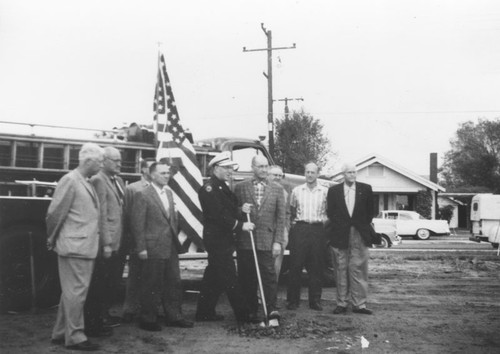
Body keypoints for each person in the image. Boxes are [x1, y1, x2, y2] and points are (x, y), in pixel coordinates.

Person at [46, 143, 104, 351]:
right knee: (76, 293)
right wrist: (52, 238)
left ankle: (61, 333)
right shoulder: (70, 181)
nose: (101, 165)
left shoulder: (83, 181)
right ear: (88, 161)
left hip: (80, 245)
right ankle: (76, 336)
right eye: (99, 161)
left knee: (71, 293)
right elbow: (55, 213)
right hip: (75, 246)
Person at [130, 161, 193, 331]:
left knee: (174, 282)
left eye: (168, 173)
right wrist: (141, 248)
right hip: (152, 247)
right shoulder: (143, 195)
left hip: (170, 245)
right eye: (163, 173)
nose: (167, 176)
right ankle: (148, 318)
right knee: (152, 283)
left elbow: (171, 220)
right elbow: (137, 224)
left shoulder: (169, 193)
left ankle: (174, 316)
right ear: (152, 175)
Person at [196, 151, 255, 324]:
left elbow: (230, 209)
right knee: (230, 277)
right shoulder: (209, 188)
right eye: (226, 167)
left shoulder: (221, 186)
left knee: (213, 276)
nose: (230, 171)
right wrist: (240, 225)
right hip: (217, 239)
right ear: (215, 168)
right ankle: (244, 315)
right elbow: (219, 215)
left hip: (223, 239)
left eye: (231, 167)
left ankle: (204, 312)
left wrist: (240, 210)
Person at [234, 155, 286, 321]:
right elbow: (232, 211)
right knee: (246, 277)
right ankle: (250, 310)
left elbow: (281, 218)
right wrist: (240, 209)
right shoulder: (240, 187)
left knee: (269, 276)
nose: (264, 170)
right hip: (246, 240)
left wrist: (278, 241)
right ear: (252, 167)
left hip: (267, 240)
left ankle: (271, 309)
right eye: (260, 167)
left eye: (266, 167)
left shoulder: (277, 188)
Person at [326, 162, 374, 315]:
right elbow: (330, 212)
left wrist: (359, 225)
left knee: (359, 267)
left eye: (354, 172)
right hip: (340, 234)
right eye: (349, 172)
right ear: (343, 174)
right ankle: (341, 303)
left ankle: (359, 304)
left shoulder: (366, 189)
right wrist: (342, 225)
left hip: (359, 233)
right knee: (341, 268)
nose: (352, 175)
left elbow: (371, 211)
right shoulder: (334, 191)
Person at [286, 162, 328, 311]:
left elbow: (328, 211)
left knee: (316, 267)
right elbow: (291, 211)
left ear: (317, 174)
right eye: (307, 172)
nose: (310, 175)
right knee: (295, 265)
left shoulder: (324, 192)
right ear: (305, 173)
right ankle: (292, 301)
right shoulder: (297, 191)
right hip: (300, 229)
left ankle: (315, 301)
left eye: (313, 172)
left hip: (317, 230)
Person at [121, 157, 155, 322]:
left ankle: (147, 309)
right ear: (142, 170)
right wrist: (132, 240)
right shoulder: (132, 188)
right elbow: (127, 214)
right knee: (135, 275)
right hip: (138, 239)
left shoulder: (160, 188)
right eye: (150, 167)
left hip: (155, 240)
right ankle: (129, 309)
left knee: (152, 277)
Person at [267, 165, 291, 282]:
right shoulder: (262, 189)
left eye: (279, 175)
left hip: (280, 232)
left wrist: (286, 229)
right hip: (264, 232)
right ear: (268, 175)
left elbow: (288, 213)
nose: (277, 177)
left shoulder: (285, 192)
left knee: (276, 266)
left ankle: (271, 296)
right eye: (274, 175)